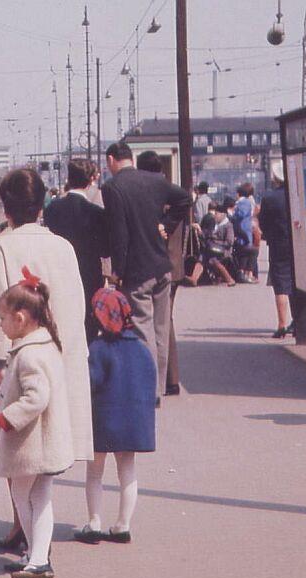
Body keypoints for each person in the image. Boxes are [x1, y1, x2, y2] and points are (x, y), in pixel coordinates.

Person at [0, 168, 93, 549]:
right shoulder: (63, 246)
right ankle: (29, 529)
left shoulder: (2, 248)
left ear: (5, 208)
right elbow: (76, 308)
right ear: (42, 203)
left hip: (18, 364)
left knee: (16, 446)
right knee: (48, 444)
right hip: (59, 358)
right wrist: (71, 358)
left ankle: (22, 527)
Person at [0, 272, 73, 578]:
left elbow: (36, 397)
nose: (1, 325)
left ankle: (39, 558)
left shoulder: (29, 353)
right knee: (39, 498)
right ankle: (36, 556)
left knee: (25, 497)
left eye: (3, 318)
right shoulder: (43, 344)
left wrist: (0, 420)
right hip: (44, 442)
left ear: (20, 318)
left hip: (31, 443)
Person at [101, 142, 191, 405]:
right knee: (161, 330)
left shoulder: (113, 188)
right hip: (162, 267)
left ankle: (148, 392)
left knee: (143, 331)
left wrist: (117, 271)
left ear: (111, 160)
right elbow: (185, 198)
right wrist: (167, 224)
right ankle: (159, 388)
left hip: (137, 271)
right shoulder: (155, 180)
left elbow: (119, 234)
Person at [73, 287, 156, 545]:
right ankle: (123, 525)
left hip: (102, 421)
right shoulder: (142, 350)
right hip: (132, 424)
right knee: (127, 471)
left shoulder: (98, 349)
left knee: (94, 473)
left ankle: (94, 523)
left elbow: (89, 383)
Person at [43, 159, 108, 343]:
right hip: (89, 275)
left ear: (68, 179)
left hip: (58, 274)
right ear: (90, 181)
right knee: (88, 326)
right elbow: (105, 250)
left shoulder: (52, 210)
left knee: (61, 322)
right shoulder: (97, 213)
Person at [136, 150, 181, 396]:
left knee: (158, 325)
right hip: (170, 263)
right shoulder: (170, 190)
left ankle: (163, 382)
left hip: (160, 263)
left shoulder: (157, 194)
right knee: (165, 324)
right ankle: (169, 380)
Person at [258, 163, 295, 338]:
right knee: (297, 283)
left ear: (275, 177)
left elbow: (263, 223)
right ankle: (298, 322)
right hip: (299, 244)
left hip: (278, 244)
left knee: (281, 284)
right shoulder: (297, 195)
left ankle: (282, 324)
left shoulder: (269, 198)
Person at [233, 183, 260, 284]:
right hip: (243, 230)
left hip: (244, 230)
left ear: (239, 194)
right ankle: (246, 274)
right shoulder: (243, 202)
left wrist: (234, 212)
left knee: (246, 251)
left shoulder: (244, 202)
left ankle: (246, 274)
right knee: (248, 251)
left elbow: (241, 214)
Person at [204, 204, 237, 286]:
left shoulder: (228, 226)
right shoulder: (214, 224)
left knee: (213, 260)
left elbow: (229, 242)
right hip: (213, 250)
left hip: (224, 251)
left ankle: (229, 279)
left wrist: (215, 242)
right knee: (202, 256)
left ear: (223, 215)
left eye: (216, 214)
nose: (215, 216)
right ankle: (194, 278)